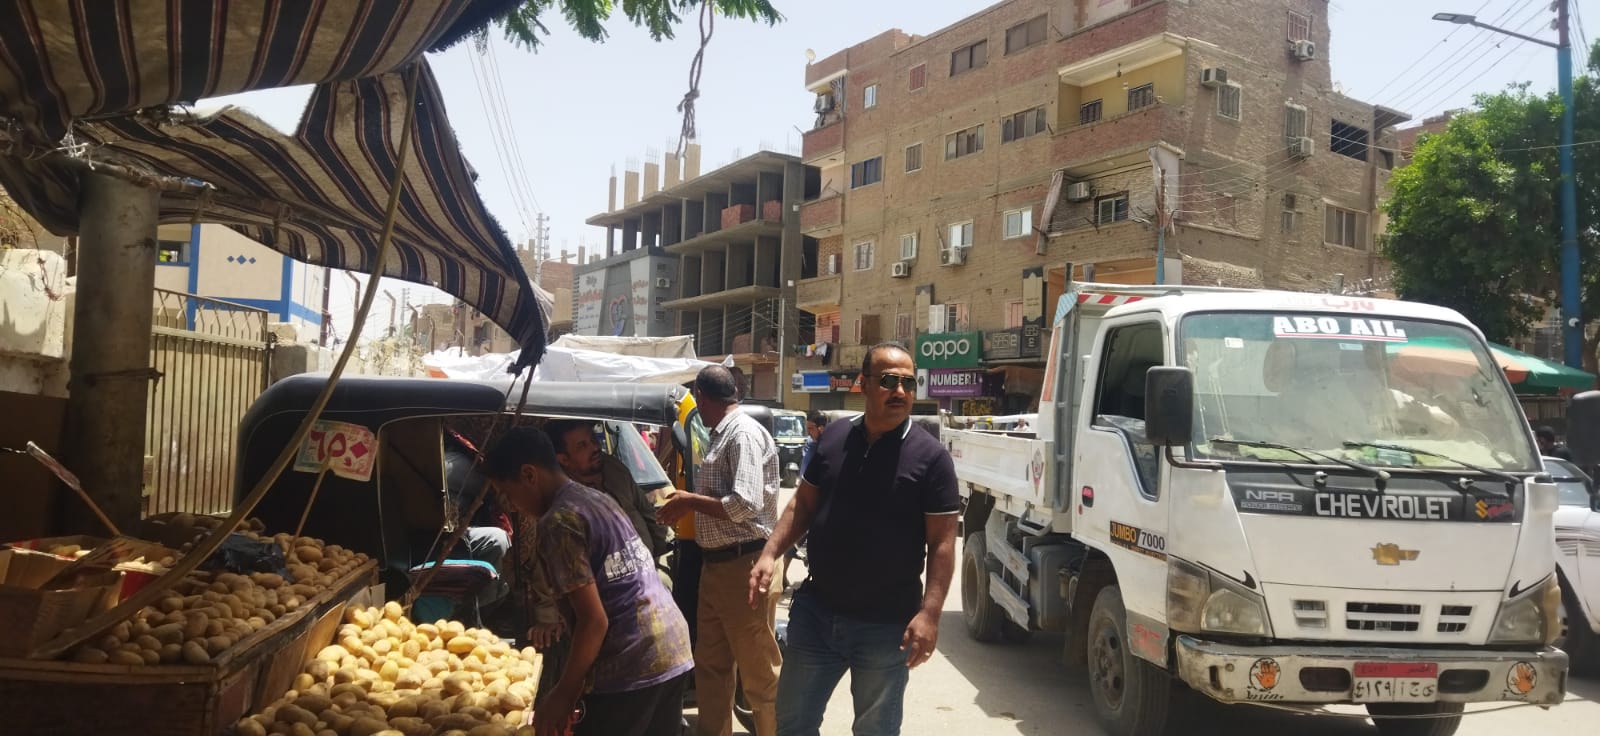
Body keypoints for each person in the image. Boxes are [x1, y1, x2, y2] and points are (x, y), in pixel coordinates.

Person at [750, 342, 959, 736]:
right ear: (864, 383)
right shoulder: (834, 437)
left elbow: (943, 545)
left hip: (886, 626)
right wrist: (770, 553)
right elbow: (802, 505)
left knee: (875, 731)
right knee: (792, 723)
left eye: (909, 383)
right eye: (889, 381)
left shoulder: (931, 459)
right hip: (817, 614)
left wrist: (929, 615)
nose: (900, 391)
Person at [482, 426, 693, 736]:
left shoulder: (559, 521)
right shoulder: (593, 497)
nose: (512, 506)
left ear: (529, 475)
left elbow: (593, 621)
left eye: (509, 494)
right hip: (671, 648)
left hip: (631, 662)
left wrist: (563, 694)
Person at [657, 366, 784, 736]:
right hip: (716, 566)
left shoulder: (741, 433)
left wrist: (690, 501)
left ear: (700, 395)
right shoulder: (721, 433)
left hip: (745, 565)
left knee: (758, 673)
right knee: (711, 668)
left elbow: (744, 503)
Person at [546, 419, 672, 559]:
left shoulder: (614, 469)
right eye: (582, 446)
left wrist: (665, 557)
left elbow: (650, 516)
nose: (595, 447)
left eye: (593, 439)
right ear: (564, 460)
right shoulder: (565, 503)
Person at [800, 410, 827, 475]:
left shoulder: (829, 445)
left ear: (821, 428)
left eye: (811, 428)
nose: (808, 432)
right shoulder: (809, 442)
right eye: (807, 428)